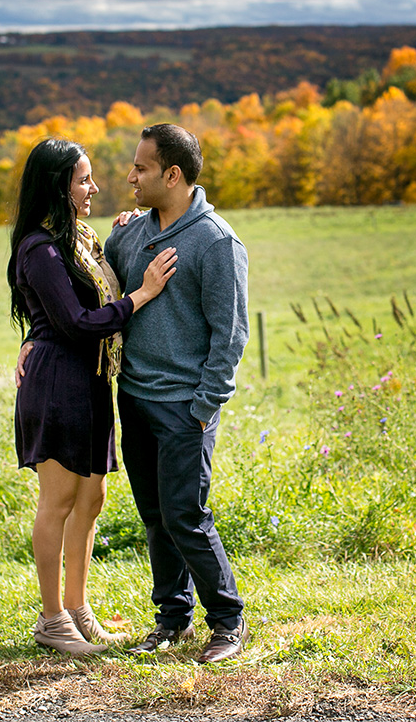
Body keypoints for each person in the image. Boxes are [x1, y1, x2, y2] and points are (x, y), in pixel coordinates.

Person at [9, 138, 177, 656]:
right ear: (58, 186)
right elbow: (77, 322)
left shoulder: (79, 238)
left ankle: (79, 610)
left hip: (90, 383)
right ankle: (51, 619)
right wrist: (142, 294)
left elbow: (87, 294)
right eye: (83, 179)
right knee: (58, 500)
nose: (94, 187)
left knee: (92, 498)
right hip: (57, 383)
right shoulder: (39, 247)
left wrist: (127, 232)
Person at [105, 123, 251, 664]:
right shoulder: (129, 235)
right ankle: (172, 619)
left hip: (185, 407)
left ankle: (228, 622)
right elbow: (101, 284)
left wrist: (203, 406)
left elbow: (231, 332)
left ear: (172, 174)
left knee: (184, 514)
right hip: (135, 399)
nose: (130, 176)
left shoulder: (215, 241)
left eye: (141, 168)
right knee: (153, 515)